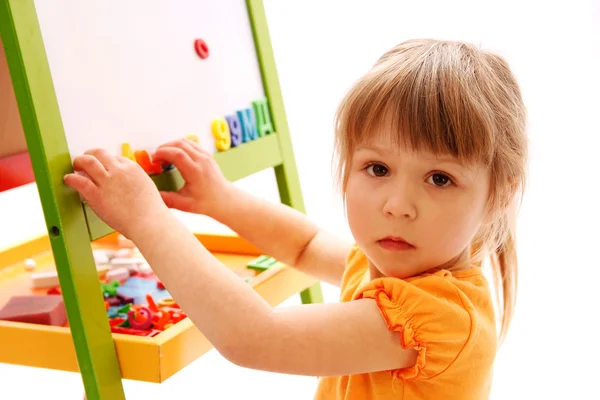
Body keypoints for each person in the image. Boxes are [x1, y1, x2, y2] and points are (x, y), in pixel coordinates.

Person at [65, 38, 528, 399]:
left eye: (440, 179)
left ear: (497, 196)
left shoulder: (436, 316)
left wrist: (147, 218)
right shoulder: (395, 268)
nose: (398, 205)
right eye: (378, 169)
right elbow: (304, 245)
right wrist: (221, 199)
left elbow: (255, 339)